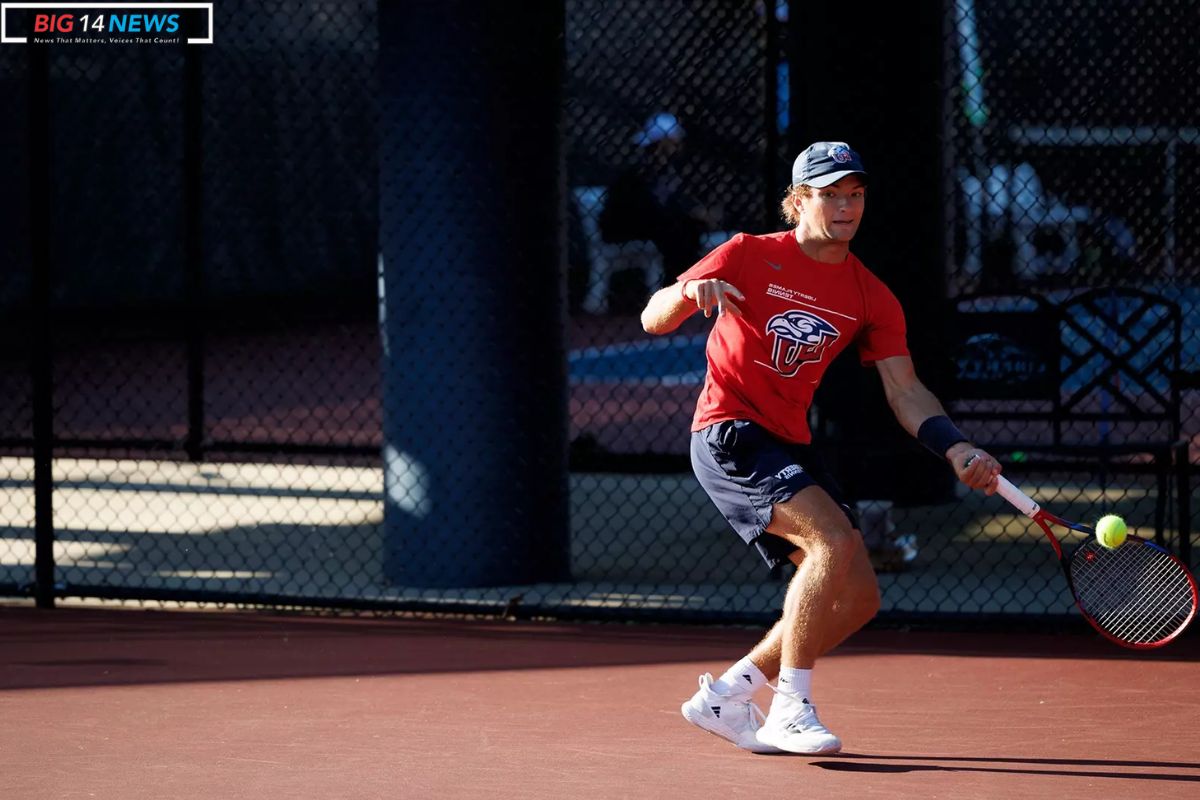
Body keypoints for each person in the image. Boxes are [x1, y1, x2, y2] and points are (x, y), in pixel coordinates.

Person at [639, 141, 1002, 755]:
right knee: (829, 541)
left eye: (854, 194)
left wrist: (957, 448)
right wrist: (687, 295)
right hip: (729, 430)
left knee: (860, 597)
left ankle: (726, 695)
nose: (845, 205)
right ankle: (789, 705)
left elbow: (906, 389)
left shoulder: (868, 293)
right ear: (798, 200)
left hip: (790, 440)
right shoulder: (748, 254)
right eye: (830, 193)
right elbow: (654, 316)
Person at [599, 112, 721, 284]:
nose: (677, 147)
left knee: (686, 228)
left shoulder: (669, 170)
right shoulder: (639, 172)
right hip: (627, 228)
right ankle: (678, 284)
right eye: (672, 143)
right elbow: (645, 210)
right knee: (682, 230)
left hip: (653, 226)